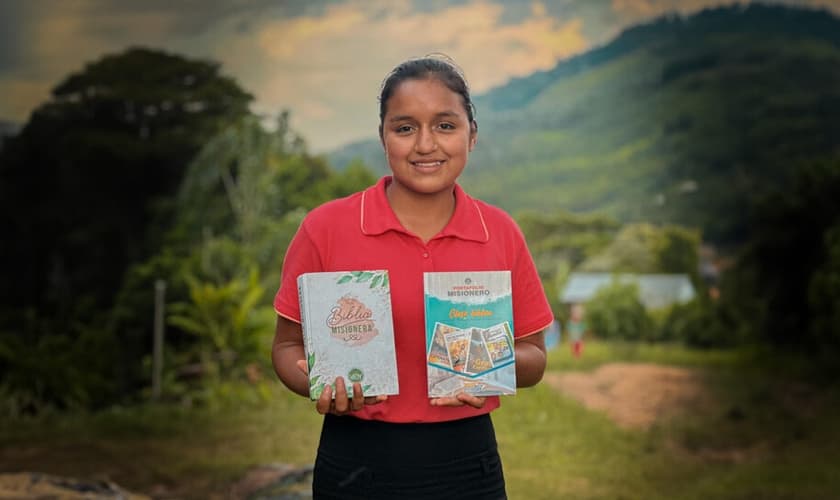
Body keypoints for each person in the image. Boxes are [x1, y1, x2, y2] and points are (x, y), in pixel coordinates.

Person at [271, 55, 554, 499]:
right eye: (404, 128)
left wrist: (484, 365)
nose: (426, 144)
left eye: (445, 125)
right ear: (383, 137)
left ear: (472, 135)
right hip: (354, 462)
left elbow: (535, 356)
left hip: (467, 463)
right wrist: (318, 384)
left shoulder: (499, 232)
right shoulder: (326, 227)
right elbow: (287, 346)